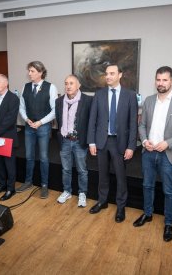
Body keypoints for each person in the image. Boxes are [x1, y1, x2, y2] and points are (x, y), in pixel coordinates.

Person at [133, 66, 172, 242]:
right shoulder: (149, 101)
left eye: (165, 80)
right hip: (148, 152)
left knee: (169, 191)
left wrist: (168, 143)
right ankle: (148, 214)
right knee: (147, 186)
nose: (161, 83)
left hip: (169, 154)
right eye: (158, 79)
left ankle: (168, 223)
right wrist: (144, 141)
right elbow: (142, 125)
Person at [87, 63, 137, 222]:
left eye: (112, 73)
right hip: (101, 141)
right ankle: (102, 201)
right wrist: (91, 142)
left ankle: (121, 206)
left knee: (121, 177)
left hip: (119, 142)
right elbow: (92, 120)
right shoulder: (99, 94)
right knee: (102, 175)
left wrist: (131, 146)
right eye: (107, 73)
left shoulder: (130, 95)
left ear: (120, 75)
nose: (108, 76)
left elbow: (133, 124)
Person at [17, 61, 58, 199]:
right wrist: (26, 118)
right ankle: (28, 182)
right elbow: (21, 107)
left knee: (44, 157)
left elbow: (54, 111)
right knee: (29, 156)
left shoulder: (51, 87)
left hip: (44, 127)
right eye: (29, 71)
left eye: (32, 71)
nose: (29, 73)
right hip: (29, 127)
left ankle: (44, 185)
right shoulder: (25, 87)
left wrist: (40, 122)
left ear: (40, 72)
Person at [55, 75, 93, 207]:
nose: (68, 86)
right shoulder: (59, 101)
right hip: (65, 140)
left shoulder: (87, 100)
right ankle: (67, 191)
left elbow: (91, 122)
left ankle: (82, 193)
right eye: (66, 83)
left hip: (79, 141)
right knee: (66, 169)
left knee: (82, 170)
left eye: (71, 83)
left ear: (78, 85)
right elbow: (59, 121)